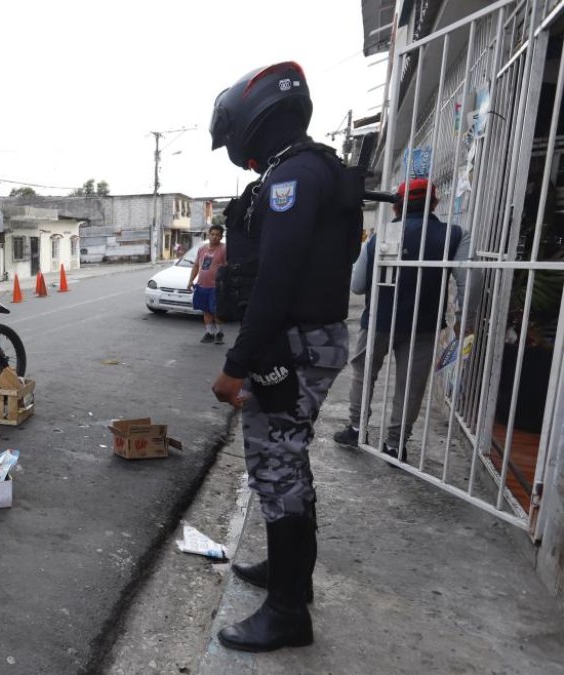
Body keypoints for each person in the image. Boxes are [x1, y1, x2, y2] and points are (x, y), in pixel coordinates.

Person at [208, 61, 362, 652]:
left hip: (292, 346)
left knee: (277, 468)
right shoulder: (316, 166)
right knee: (288, 466)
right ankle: (285, 576)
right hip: (308, 340)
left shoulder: (291, 178)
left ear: (252, 120)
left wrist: (237, 365)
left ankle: (288, 612)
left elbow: (275, 279)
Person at [333, 179, 472, 461]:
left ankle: (357, 429)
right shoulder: (454, 235)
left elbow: (358, 285)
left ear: (396, 206)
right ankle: (396, 445)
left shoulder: (380, 235)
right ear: (435, 203)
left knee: (364, 373)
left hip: (379, 320)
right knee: (411, 383)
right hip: (424, 323)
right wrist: (464, 318)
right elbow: (470, 281)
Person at [187, 224, 228, 344]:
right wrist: (191, 280)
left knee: (217, 312)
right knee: (206, 311)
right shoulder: (202, 249)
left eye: (217, 235)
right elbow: (196, 266)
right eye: (212, 234)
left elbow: (228, 267)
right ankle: (210, 333)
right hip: (202, 286)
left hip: (216, 287)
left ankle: (219, 333)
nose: (214, 237)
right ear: (208, 235)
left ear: (221, 237)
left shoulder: (224, 249)